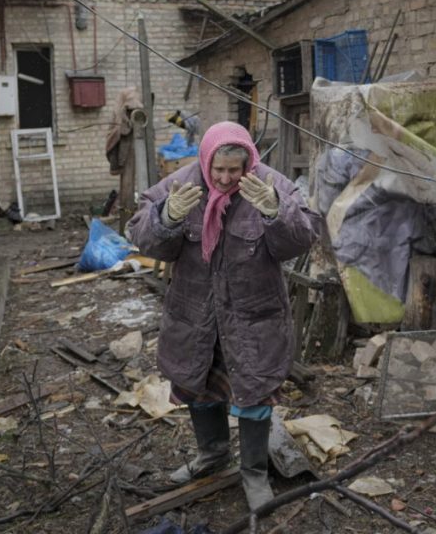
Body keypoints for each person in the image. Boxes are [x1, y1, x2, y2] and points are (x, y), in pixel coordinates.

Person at [127, 121, 322, 511]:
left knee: (253, 392)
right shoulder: (182, 184)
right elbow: (142, 238)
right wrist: (165, 218)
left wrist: (274, 210)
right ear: (206, 160)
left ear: (249, 160)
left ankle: (253, 473)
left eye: (235, 170)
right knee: (198, 386)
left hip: (253, 316)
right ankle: (212, 455)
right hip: (196, 314)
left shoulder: (271, 184)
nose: (226, 178)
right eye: (218, 170)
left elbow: (304, 238)